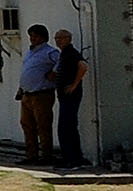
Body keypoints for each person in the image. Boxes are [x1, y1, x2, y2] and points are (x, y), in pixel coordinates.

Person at [14, 23, 60, 163]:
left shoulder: (50, 51)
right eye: (31, 36)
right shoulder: (29, 52)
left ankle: (46, 155)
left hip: (42, 94)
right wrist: (21, 89)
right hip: (26, 94)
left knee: (43, 125)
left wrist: (53, 72)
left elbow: (62, 61)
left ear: (43, 37)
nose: (32, 39)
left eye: (35, 36)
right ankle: (31, 155)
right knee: (27, 125)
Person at [53, 28, 88, 167]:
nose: (58, 41)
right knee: (69, 126)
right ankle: (74, 157)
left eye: (61, 38)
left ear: (69, 39)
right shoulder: (64, 54)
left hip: (70, 95)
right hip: (64, 95)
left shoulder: (71, 53)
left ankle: (70, 159)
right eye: (56, 38)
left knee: (65, 127)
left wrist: (74, 84)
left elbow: (83, 66)